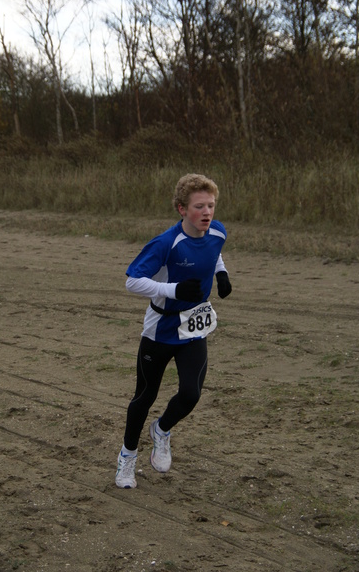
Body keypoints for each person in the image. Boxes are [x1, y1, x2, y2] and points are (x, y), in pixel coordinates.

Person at [115, 173, 232, 489]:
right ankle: (127, 459)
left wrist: (221, 274)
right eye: (198, 207)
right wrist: (173, 288)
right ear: (182, 209)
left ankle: (162, 430)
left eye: (210, 205)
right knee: (144, 396)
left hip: (194, 326)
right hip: (160, 329)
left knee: (191, 393)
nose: (206, 212)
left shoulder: (217, 231)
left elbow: (212, 251)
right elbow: (133, 281)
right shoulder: (166, 243)